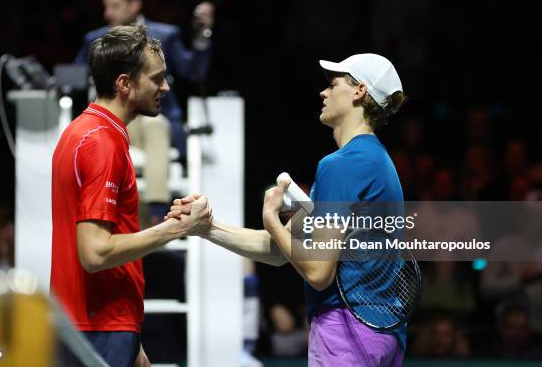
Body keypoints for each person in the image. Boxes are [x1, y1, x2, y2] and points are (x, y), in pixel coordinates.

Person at [170, 54, 407, 366]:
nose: (324, 93)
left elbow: (318, 273)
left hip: (346, 331)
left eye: (333, 85)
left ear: (359, 91)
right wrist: (206, 228)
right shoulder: (377, 161)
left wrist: (271, 218)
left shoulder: (342, 166)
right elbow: (279, 251)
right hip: (382, 333)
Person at [52, 24, 212, 367]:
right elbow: (95, 253)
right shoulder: (102, 143)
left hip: (99, 325)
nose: (165, 87)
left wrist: (131, 335)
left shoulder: (85, 131)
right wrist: (177, 228)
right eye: (156, 78)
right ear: (124, 83)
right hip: (98, 328)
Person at [75, 0, 214, 224]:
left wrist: (203, 35)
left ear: (134, 5)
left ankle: (157, 214)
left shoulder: (165, 35)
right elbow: (72, 77)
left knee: (155, 126)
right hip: (112, 119)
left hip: (151, 119)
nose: (108, 13)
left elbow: (194, 72)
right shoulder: (95, 40)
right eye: (105, 6)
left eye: (114, 6)